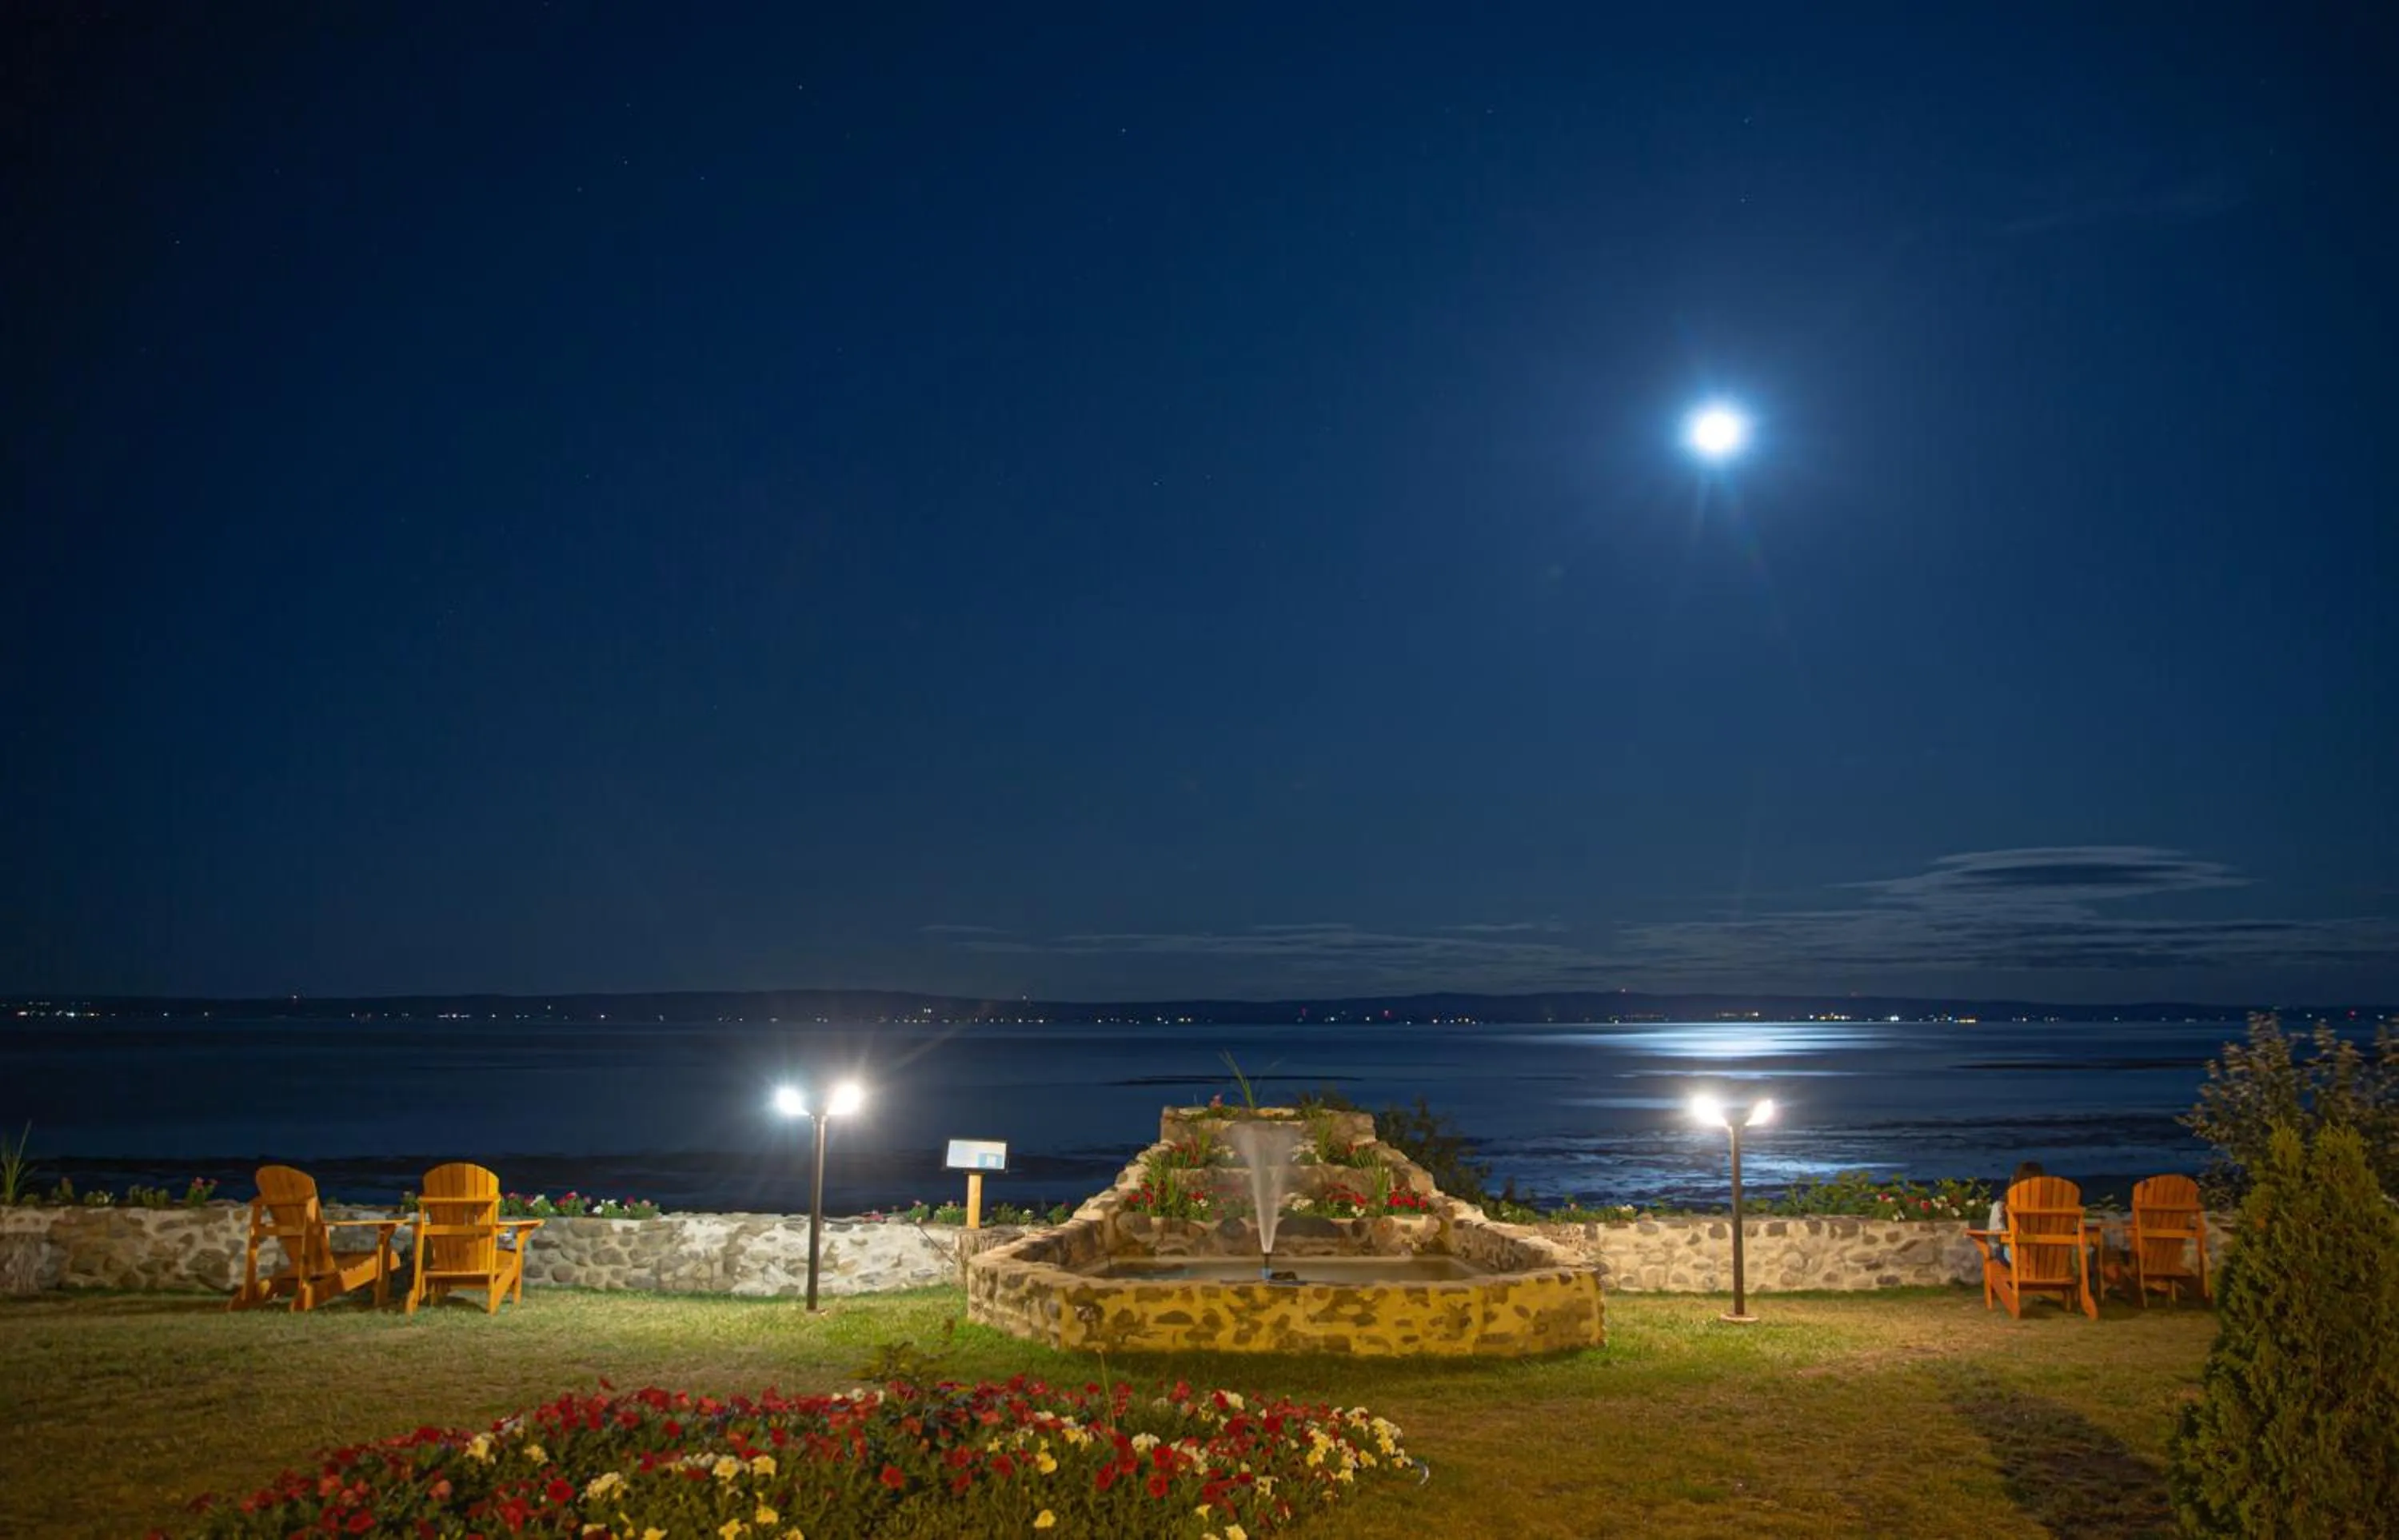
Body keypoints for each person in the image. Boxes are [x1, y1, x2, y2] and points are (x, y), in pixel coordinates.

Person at [1986, 1160, 2046, 1264]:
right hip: (2051, 1261)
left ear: (2014, 1181)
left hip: (2016, 1261)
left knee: (1999, 1251)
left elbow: (1994, 1237)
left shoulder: (2002, 1206)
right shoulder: (2053, 1205)